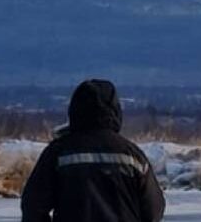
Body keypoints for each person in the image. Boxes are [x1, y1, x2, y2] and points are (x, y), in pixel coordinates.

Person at [21, 79, 165, 222]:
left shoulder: (58, 153)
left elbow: (33, 206)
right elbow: (153, 210)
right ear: (115, 111)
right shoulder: (132, 155)